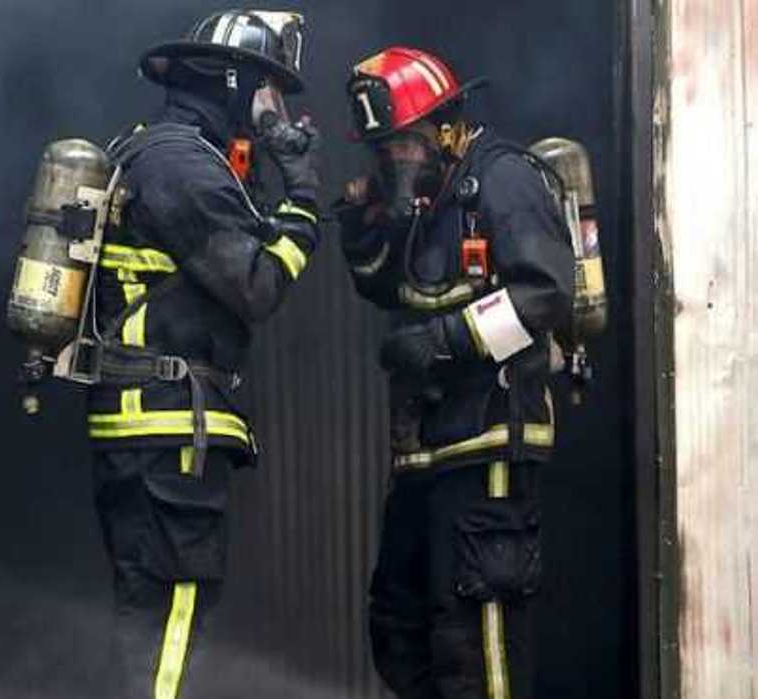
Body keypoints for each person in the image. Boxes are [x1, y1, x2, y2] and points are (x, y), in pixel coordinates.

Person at [87, 10, 321, 698]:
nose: (272, 112)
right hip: (164, 431)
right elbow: (254, 284)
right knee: (174, 620)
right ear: (234, 81)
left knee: (153, 618)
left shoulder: (168, 154)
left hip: (153, 428)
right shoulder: (179, 163)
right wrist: (302, 197)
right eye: (268, 92)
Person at [335, 47, 575, 699]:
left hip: (488, 445)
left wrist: (443, 340)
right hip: (424, 454)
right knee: (400, 622)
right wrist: (358, 231)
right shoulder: (425, 203)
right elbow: (391, 289)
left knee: (475, 640)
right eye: (382, 149)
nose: (393, 160)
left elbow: (546, 292)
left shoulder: (502, 181)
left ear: (445, 127)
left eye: (403, 145)